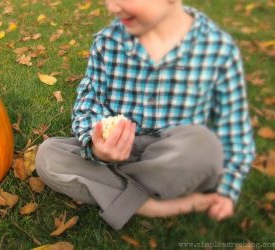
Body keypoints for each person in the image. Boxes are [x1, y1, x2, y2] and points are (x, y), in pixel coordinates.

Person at [35, 0, 256, 230]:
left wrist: (228, 191)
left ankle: (114, 191)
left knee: (205, 147)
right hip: (117, 153)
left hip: (174, 157)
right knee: (49, 155)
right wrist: (97, 146)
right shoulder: (108, 42)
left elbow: (235, 133)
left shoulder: (217, 48)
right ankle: (152, 205)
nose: (112, 7)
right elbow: (89, 103)